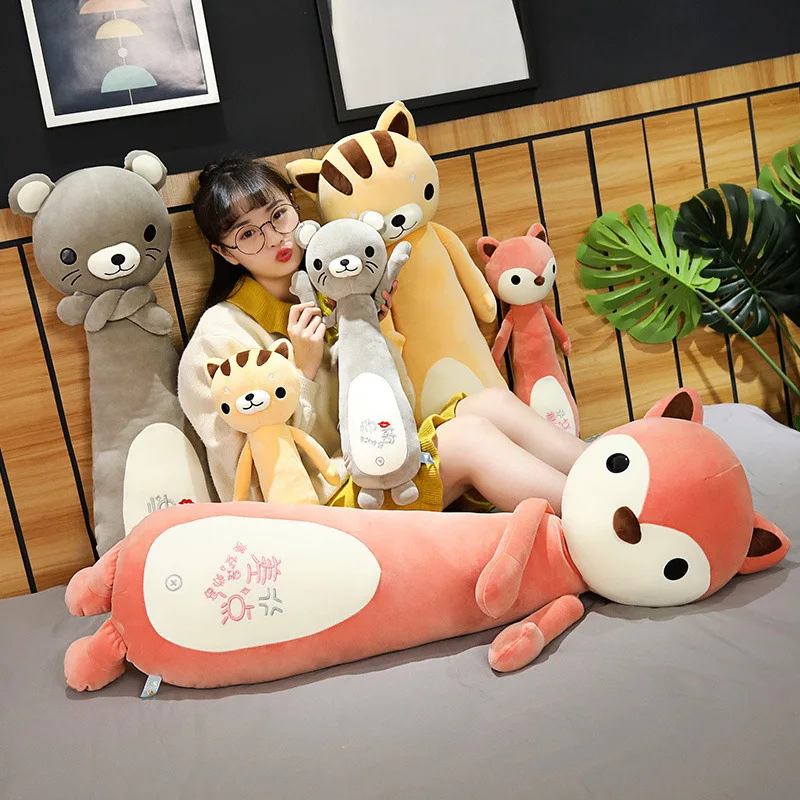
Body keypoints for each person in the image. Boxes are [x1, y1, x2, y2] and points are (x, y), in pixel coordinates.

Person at [178, 157, 587, 515]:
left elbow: (397, 404)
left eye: (278, 215)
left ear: (295, 208)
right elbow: (252, 483)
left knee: (489, 404)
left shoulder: (335, 290)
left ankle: (611, 471)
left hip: (382, 455)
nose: (274, 238)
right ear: (225, 252)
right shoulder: (219, 340)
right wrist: (303, 372)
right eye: (247, 234)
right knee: (468, 439)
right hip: (323, 505)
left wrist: (372, 330)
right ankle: (601, 520)